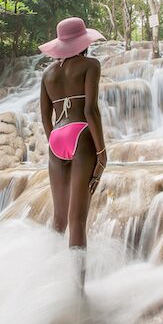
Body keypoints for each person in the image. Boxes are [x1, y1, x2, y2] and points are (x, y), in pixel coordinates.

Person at [39, 17, 107, 288]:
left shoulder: (48, 75)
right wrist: (101, 152)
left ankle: (48, 280)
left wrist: (55, 141)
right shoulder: (91, 65)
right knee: (77, 220)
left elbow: (45, 117)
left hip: (57, 138)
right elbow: (91, 110)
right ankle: (77, 292)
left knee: (59, 219)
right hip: (82, 136)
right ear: (84, 42)